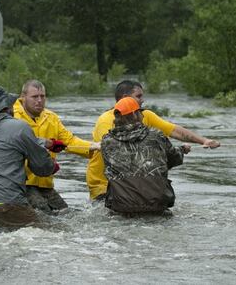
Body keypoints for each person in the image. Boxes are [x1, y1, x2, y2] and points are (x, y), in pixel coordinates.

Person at [86, 80, 220, 200]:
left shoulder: (145, 115)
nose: (143, 100)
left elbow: (173, 130)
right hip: (104, 186)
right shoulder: (105, 121)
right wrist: (181, 150)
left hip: (133, 187)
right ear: (125, 98)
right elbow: (122, 154)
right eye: (138, 96)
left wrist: (204, 141)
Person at [0, 86, 56, 228]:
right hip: (6, 202)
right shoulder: (20, 126)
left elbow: (6, 139)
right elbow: (42, 168)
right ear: (6, 107)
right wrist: (52, 165)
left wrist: (44, 142)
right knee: (50, 232)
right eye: (11, 104)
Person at [13, 80, 100, 212]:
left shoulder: (51, 117)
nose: (39, 101)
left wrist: (93, 146)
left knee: (66, 213)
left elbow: (69, 141)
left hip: (45, 183)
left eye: (42, 96)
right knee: (44, 212)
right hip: (20, 183)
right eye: (34, 97)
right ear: (23, 97)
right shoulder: (12, 115)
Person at [101, 97, 187, 215]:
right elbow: (173, 159)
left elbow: (109, 170)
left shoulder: (107, 141)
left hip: (122, 205)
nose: (142, 115)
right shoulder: (156, 135)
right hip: (157, 204)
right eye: (140, 112)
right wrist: (182, 150)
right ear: (135, 114)